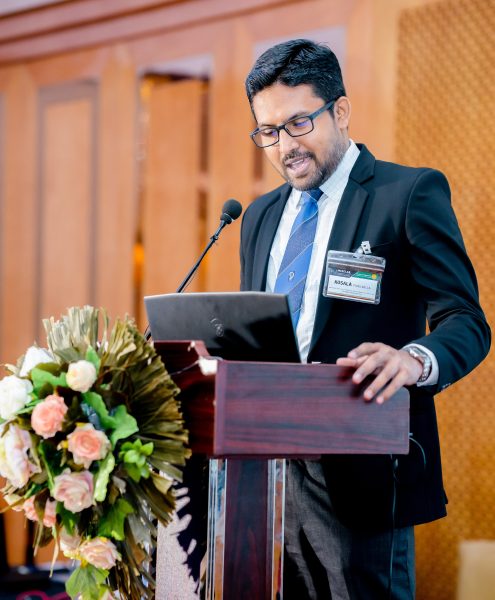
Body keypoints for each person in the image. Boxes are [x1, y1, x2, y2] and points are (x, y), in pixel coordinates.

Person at [240, 39, 490, 599]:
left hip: (365, 472)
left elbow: (467, 320)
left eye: (298, 123)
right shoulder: (258, 217)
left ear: (342, 111)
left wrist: (413, 360)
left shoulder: (406, 194)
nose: (285, 146)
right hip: (266, 481)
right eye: (269, 132)